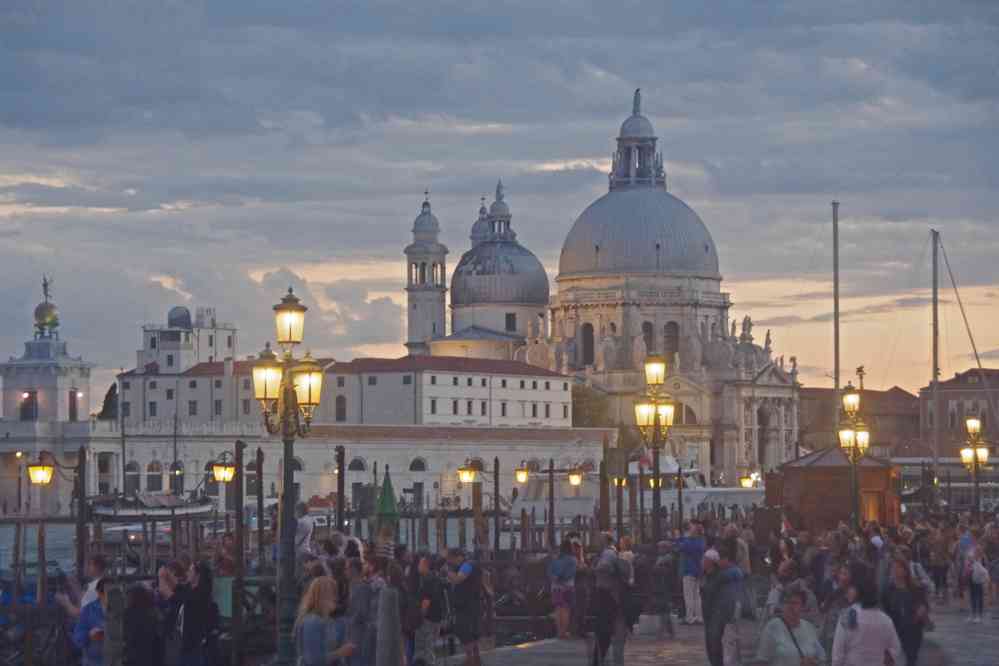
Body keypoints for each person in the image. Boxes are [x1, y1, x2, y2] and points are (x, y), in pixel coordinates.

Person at [830, 564, 902, 666]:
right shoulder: (885, 620)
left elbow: (837, 654)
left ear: (858, 592)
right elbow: (896, 648)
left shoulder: (846, 616)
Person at [753, 582, 825, 666]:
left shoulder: (809, 627)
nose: (789, 606)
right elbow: (761, 661)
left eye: (794, 603)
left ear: (803, 607)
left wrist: (812, 662)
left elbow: (821, 658)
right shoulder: (772, 627)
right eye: (786, 602)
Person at [591, 532, 632, 666]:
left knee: (603, 632)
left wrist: (593, 569)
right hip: (613, 597)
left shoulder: (608, 553)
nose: (596, 542)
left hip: (606, 596)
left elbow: (604, 566)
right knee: (611, 634)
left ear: (605, 541)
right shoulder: (613, 553)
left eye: (598, 539)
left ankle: (598, 661)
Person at [703, 540, 745, 666]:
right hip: (716, 613)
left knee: (728, 643)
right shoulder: (717, 573)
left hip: (727, 613)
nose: (717, 562)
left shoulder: (731, 572)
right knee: (715, 643)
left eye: (719, 559)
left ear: (726, 559)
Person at [883, 556, 929, 666]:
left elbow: (924, 604)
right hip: (895, 629)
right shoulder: (888, 590)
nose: (895, 570)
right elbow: (884, 609)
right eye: (893, 568)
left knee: (911, 659)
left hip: (913, 629)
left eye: (899, 567)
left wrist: (922, 610)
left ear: (905, 570)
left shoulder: (915, 588)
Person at [296, 576, 348, 666]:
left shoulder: (330, 620)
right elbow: (314, 660)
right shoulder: (313, 622)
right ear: (324, 595)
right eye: (333, 593)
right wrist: (340, 653)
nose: (336, 598)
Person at [174, 560, 217, 666]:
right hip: (188, 646)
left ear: (198, 575)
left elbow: (174, 595)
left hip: (194, 648)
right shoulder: (192, 592)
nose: (187, 573)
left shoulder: (198, 596)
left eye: (190, 570)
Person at [447, 548, 482, 666]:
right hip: (472, 604)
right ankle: (475, 659)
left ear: (458, 557)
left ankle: (470, 659)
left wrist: (447, 570)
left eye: (451, 559)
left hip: (467, 605)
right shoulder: (470, 564)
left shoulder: (467, 565)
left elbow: (457, 579)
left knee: (465, 632)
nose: (451, 562)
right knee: (473, 632)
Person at [413, 554, 445, 666]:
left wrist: (420, 617)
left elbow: (426, 601)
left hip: (428, 619)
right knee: (430, 647)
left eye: (420, 564)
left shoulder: (428, 580)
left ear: (426, 565)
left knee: (424, 648)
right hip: (437, 618)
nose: (418, 566)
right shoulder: (436, 577)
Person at [57, 554, 109, 619]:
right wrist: (75, 586)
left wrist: (65, 602)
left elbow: (78, 614)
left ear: (96, 568)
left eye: (89, 565)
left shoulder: (94, 588)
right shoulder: (100, 584)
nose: (86, 568)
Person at [123, 583, 163, 666]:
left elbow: (124, 637)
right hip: (150, 657)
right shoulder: (154, 613)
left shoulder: (128, 614)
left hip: (133, 657)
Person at [73, 576, 107, 666]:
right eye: (106, 593)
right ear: (99, 593)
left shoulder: (123, 610)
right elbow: (77, 639)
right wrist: (89, 635)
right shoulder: (88, 610)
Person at [676, 521, 706, 624]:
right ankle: (699, 616)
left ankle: (690, 618)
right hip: (698, 570)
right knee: (697, 595)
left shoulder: (689, 542)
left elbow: (679, 545)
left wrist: (680, 536)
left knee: (688, 596)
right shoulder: (701, 542)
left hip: (688, 570)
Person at [549, 539, 578, 639]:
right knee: (566, 609)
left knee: (558, 609)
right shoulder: (572, 559)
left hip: (555, 587)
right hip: (567, 586)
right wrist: (562, 578)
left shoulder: (555, 558)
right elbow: (571, 574)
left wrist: (555, 578)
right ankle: (564, 632)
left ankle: (558, 632)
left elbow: (549, 571)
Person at [651, 541, 675, 640]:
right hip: (659, 586)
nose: (659, 549)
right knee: (663, 609)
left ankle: (661, 631)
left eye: (661, 548)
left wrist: (657, 568)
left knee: (664, 608)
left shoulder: (668, 559)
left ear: (665, 548)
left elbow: (665, 572)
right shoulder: (660, 558)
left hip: (665, 586)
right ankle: (670, 631)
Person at [968, 545, 990, 623]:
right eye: (976, 551)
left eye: (978, 551)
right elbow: (968, 568)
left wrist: (986, 580)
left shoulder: (983, 559)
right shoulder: (971, 559)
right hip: (972, 579)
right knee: (972, 597)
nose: (976, 553)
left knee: (979, 597)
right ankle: (973, 614)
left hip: (979, 581)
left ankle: (979, 615)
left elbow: (986, 571)